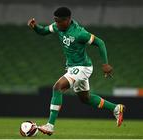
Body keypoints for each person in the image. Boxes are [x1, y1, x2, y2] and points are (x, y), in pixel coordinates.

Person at [28, 7, 125, 136]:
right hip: (72, 67)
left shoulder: (79, 33)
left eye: (59, 21)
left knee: (57, 87)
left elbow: (100, 42)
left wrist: (105, 64)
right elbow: (43, 31)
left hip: (83, 67)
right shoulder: (58, 26)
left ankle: (50, 125)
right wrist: (35, 27)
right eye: (55, 21)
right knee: (86, 99)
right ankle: (116, 108)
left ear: (67, 20)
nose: (56, 24)